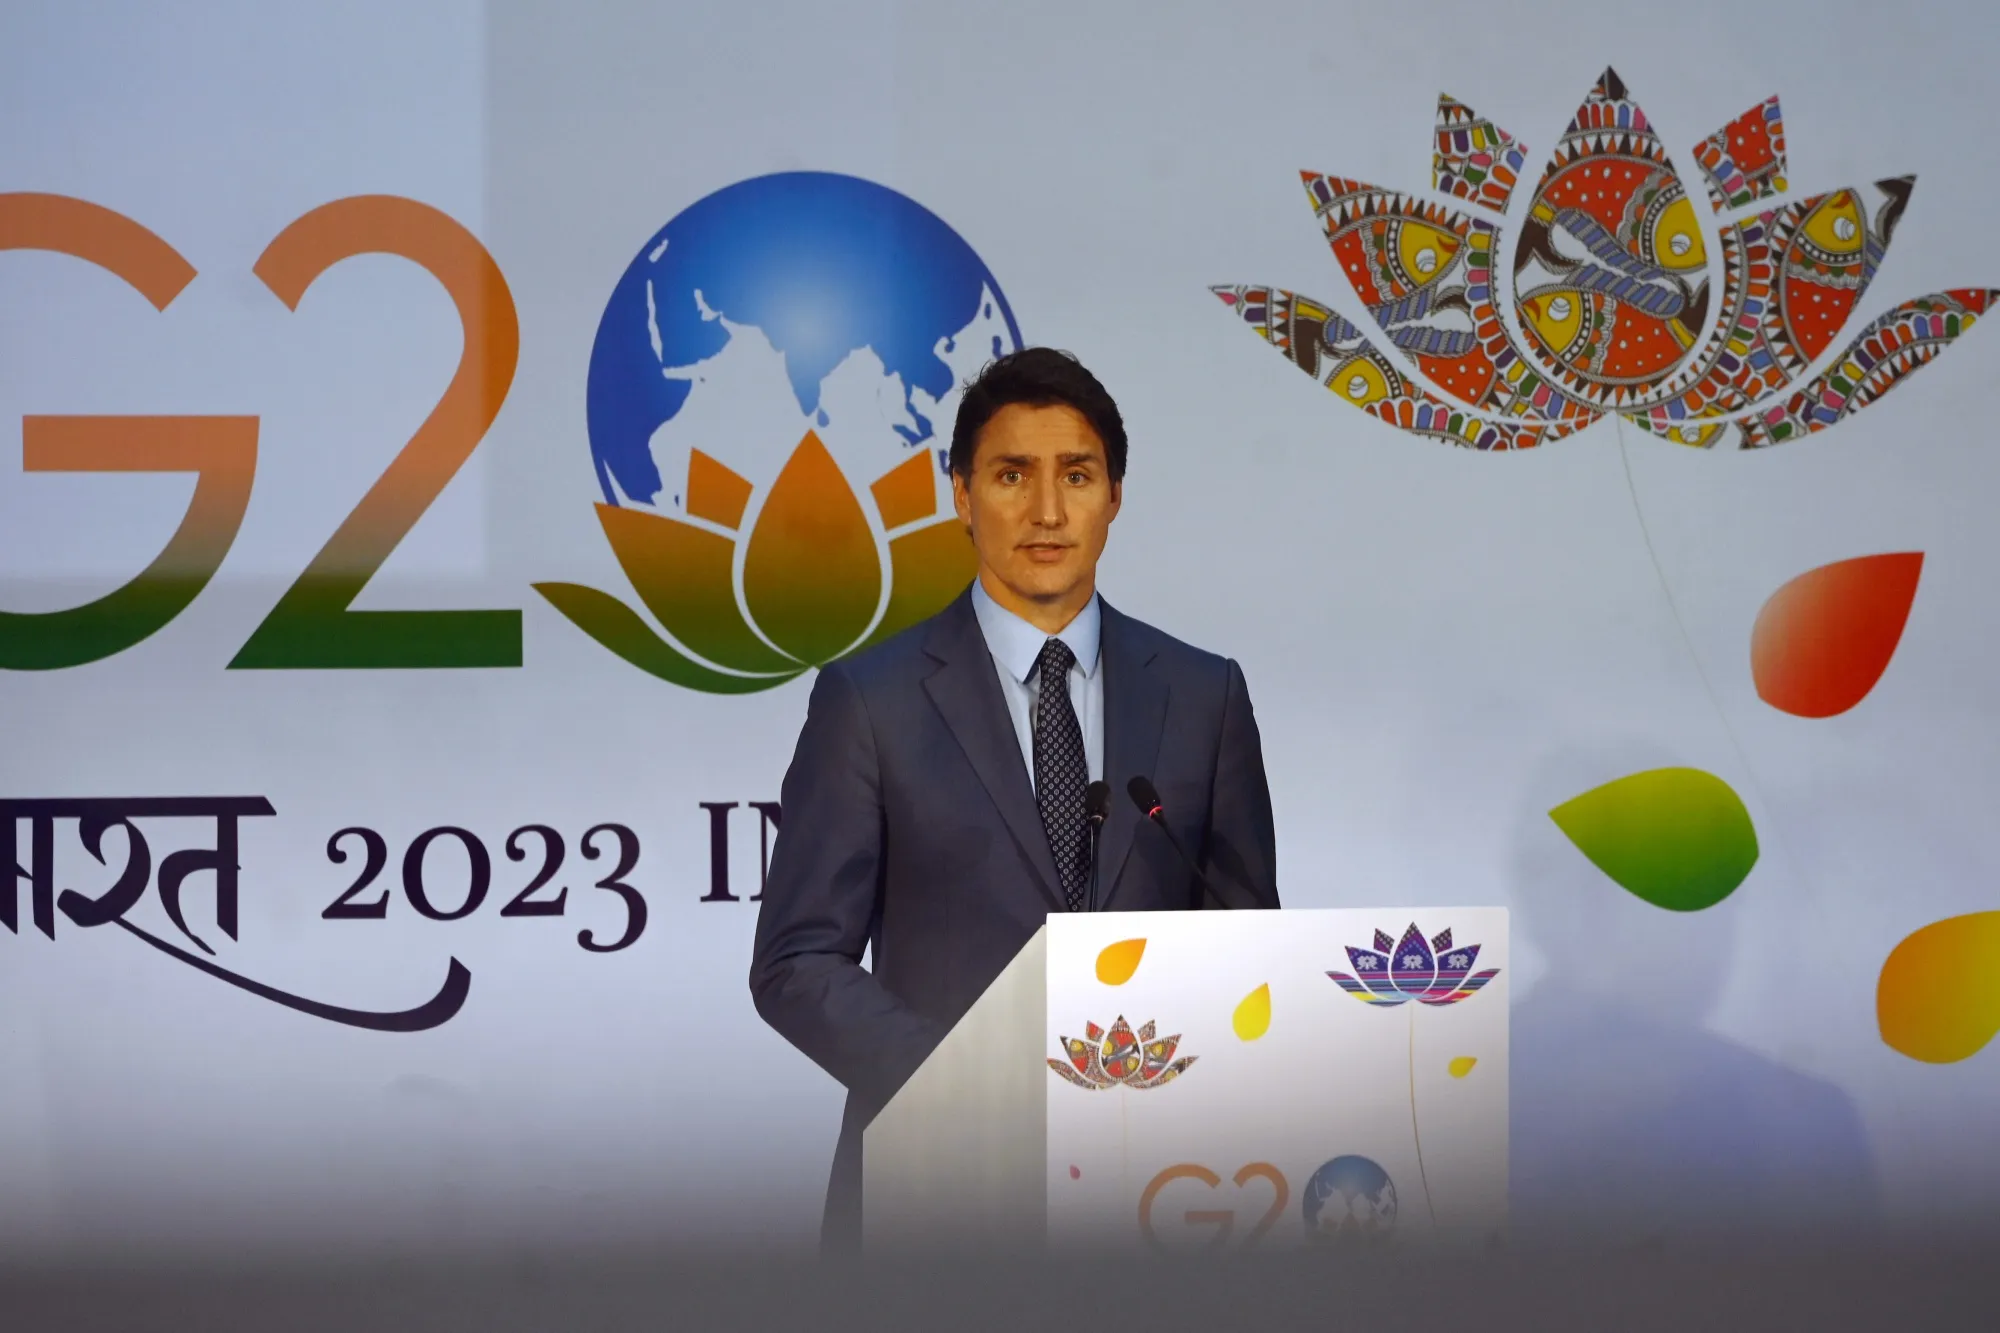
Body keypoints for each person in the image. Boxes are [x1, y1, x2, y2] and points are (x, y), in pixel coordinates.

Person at [748, 347, 1280, 1252]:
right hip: (936, 1186)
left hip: (1161, 1197)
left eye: (1076, 475)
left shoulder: (1204, 695)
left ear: (1114, 495)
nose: (1045, 510)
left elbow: (1250, 942)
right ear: (959, 493)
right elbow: (797, 961)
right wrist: (967, 1083)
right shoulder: (869, 700)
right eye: (1010, 474)